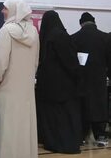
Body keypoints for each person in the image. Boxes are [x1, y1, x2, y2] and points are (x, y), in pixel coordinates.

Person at [0, 0, 39, 158]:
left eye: (5, 8)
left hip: (5, 91)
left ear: (14, 10)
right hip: (26, 92)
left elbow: (0, 63)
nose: (2, 11)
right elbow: (36, 62)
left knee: (7, 131)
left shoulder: (6, 31)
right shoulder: (34, 32)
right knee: (23, 129)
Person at [36, 10, 82, 154]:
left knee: (50, 117)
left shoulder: (43, 36)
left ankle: (52, 142)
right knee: (65, 117)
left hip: (46, 84)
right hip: (63, 85)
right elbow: (69, 61)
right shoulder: (60, 35)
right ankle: (67, 143)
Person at [71, 12, 110, 147]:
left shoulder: (74, 38)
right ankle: (101, 136)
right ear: (94, 22)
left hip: (80, 80)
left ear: (81, 24)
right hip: (99, 80)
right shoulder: (105, 37)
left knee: (82, 107)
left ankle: (81, 136)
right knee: (99, 107)